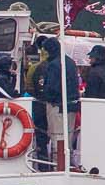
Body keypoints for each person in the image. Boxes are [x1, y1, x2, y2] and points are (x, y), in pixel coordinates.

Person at [29, 35, 78, 171]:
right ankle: (67, 166)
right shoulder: (70, 62)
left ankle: (58, 167)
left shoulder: (54, 65)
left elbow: (52, 88)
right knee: (68, 138)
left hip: (57, 106)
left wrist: (45, 96)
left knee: (58, 138)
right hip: (72, 106)